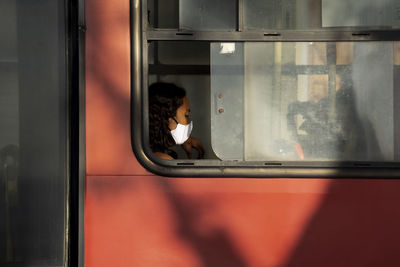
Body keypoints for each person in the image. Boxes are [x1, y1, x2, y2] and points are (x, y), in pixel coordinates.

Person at [149, 82, 204, 160]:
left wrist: (183, 139)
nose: (189, 121)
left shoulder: (151, 152)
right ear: (167, 118)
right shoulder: (163, 160)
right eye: (186, 115)